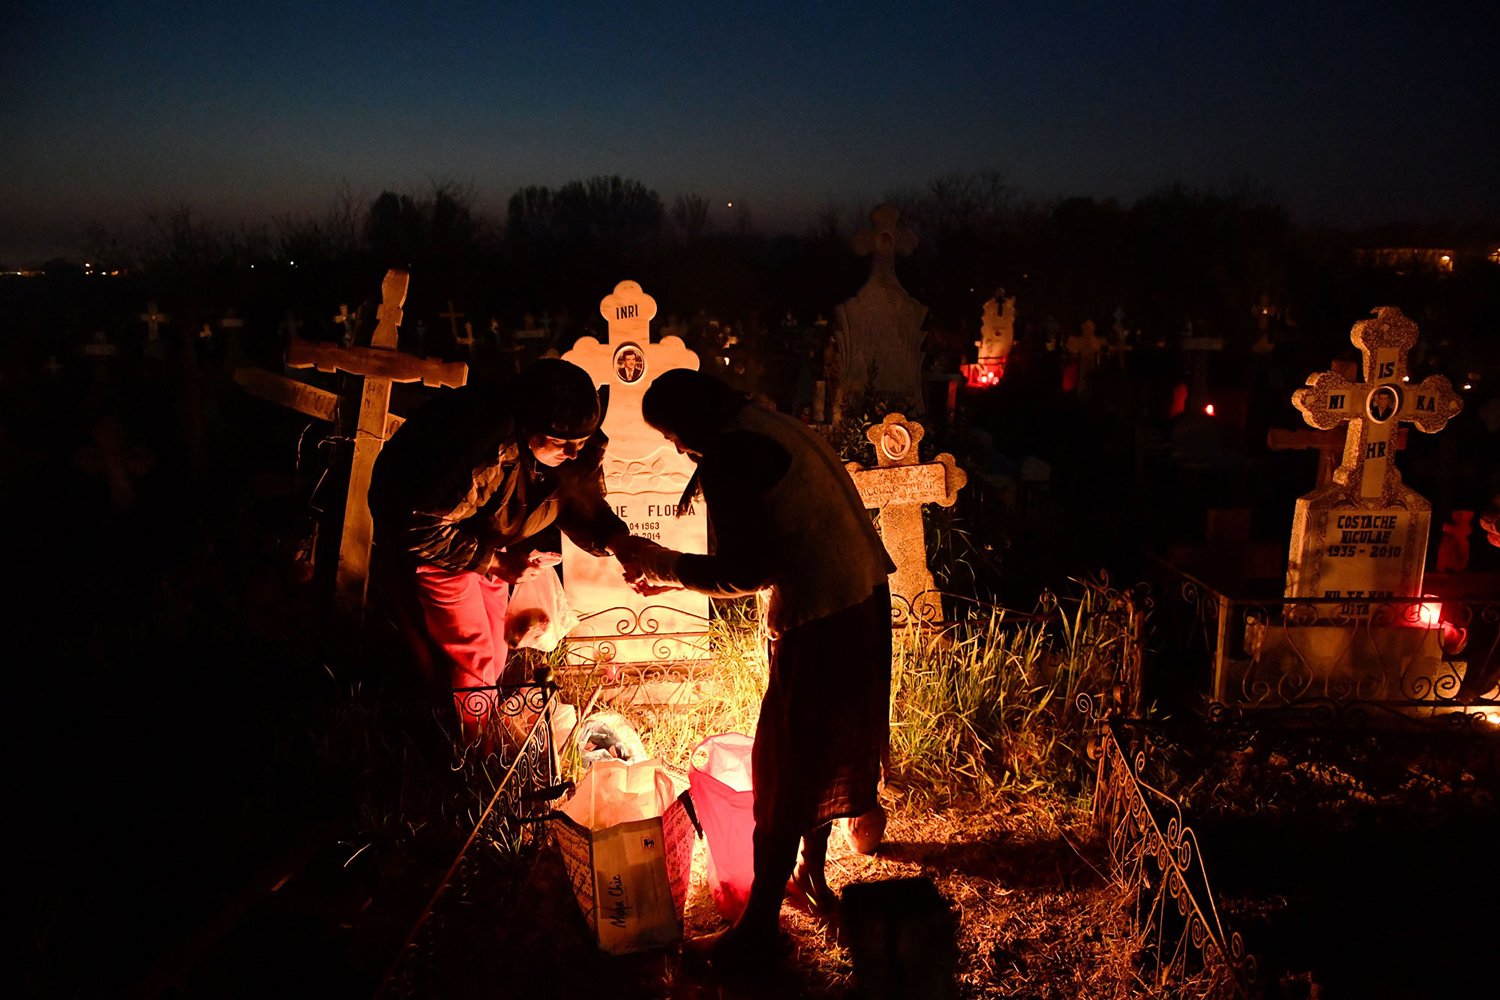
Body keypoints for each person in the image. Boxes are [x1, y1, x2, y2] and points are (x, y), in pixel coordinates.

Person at [618, 369, 895, 967]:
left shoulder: (734, 452)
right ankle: (808, 872)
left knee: (789, 764)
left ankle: (757, 932)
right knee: (820, 755)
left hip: (826, 617)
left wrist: (660, 564)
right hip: (862, 599)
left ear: (693, 421)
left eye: (672, 435)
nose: (675, 448)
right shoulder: (763, 421)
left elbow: (744, 571)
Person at [369, 358, 632, 745]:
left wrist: (621, 543)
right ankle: (472, 752)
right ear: (528, 426)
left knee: (494, 646)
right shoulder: (485, 446)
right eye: (563, 443)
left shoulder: (571, 443)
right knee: (470, 653)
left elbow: (578, 501)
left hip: (492, 538)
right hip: (438, 546)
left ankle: (485, 732)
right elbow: (421, 528)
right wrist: (494, 561)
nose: (575, 453)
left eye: (582, 442)